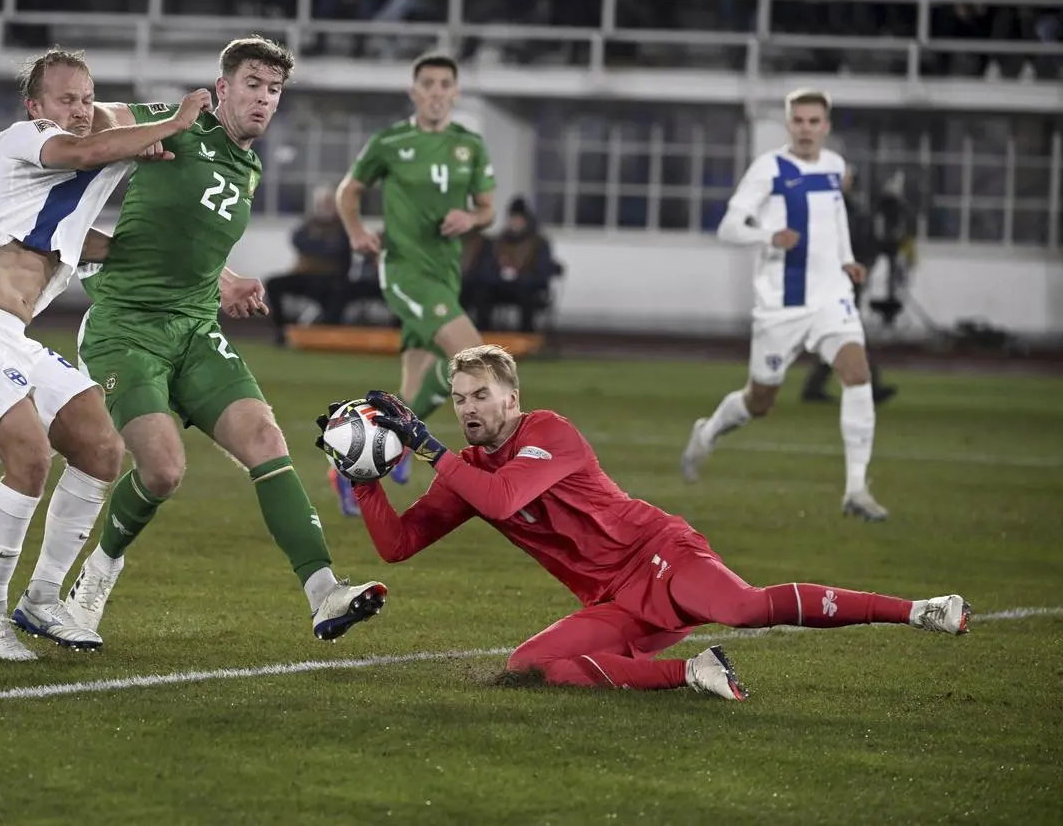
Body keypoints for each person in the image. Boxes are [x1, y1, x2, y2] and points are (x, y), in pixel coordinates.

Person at [316, 345, 970, 699]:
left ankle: (920, 610)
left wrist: (427, 449)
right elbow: (398, 545)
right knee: (531, 668)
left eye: (481, 396)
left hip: (660, 552)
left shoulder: (548, 431)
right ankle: (694, 671)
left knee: (742, 606)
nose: (469, 409)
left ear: (512, 397)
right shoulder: (467, 467)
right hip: (612, 597)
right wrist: (364, 477)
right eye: (459, 399)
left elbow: (506, 500)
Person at [69, 37, 387, 643]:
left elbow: (184, 240)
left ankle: (324, 594)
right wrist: (76, 113)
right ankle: (96, 574)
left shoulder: (248, 165)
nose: (264, 99)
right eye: (253, 85)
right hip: (126, 328)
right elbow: (100, 119)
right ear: (223, 88)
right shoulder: (176, 122)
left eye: (274, 90)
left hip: (193, 327)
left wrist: (228, 278)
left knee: (267, 439)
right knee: (161, 472)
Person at [0, 48, 211, 660]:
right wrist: (169, 125)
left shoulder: (75, 195)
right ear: (36, 106)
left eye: (85, 99)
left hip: (12, 338)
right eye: (65, 100)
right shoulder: (22, 140)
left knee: (101, 447)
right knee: (28, 456)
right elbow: (85, 150)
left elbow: (111, 241)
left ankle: (43, 598)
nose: (79, 111)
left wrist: (221, 272)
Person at [681, 88, 889, 522]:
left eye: (815, 122)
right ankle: (710, 430)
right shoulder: (769, 169)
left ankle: (856, 489)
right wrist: (768, 235)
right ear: (789, 124)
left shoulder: (835, 168)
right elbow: (728, 227)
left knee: (857, 373)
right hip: (781, 304)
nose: (807, 129)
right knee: (760, 401)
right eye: (799, 121)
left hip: (831, 296)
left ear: (826, 126)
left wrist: (848, 259)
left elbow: (836, 217)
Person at [334, 52, 497, 510]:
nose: (437, 93)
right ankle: (496, 465)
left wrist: (472, 217)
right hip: (405, 269)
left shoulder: (470, 145)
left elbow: (488, 208)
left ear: (456, 93)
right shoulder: (391, 141)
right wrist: (357, 233)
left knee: (415, 388)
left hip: (446, 273)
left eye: (446, 84)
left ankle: (354, 465)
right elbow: (350, 190)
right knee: (472, 359)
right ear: (414, 92)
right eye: (428, 84)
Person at [801, 167, 898, 405]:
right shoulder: (835, 210)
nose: (849, 181)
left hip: (844, 281)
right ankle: (869, 385)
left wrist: (882, 247)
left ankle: (815, 387)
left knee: (837, 334)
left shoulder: (844, 208)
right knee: (850, 333)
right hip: (837, 281)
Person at [264, 184, 354, 345]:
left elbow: (336, 249)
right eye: (322, 203)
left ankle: (325, 336)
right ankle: (282, 330)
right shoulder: (308, 224)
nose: (325, 206)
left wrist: (315, 245)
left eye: (328, 202)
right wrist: (320, 246)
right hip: (304, 276)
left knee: (339, 293)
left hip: (330, 280)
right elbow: (299, 242)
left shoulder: (342, 227)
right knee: (273, 284)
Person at [463, 196, 560, 334]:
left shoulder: (538, 243)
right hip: (500, 286)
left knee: (528, 298)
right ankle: (484, 333)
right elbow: (486, 268)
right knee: (481, 293)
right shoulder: (499, 242)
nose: (515, 223)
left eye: (519, 219)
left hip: (527, 288)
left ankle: (526, 335)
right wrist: (499, 277)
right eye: (512, 219)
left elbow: (542, 272)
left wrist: (520, 279)